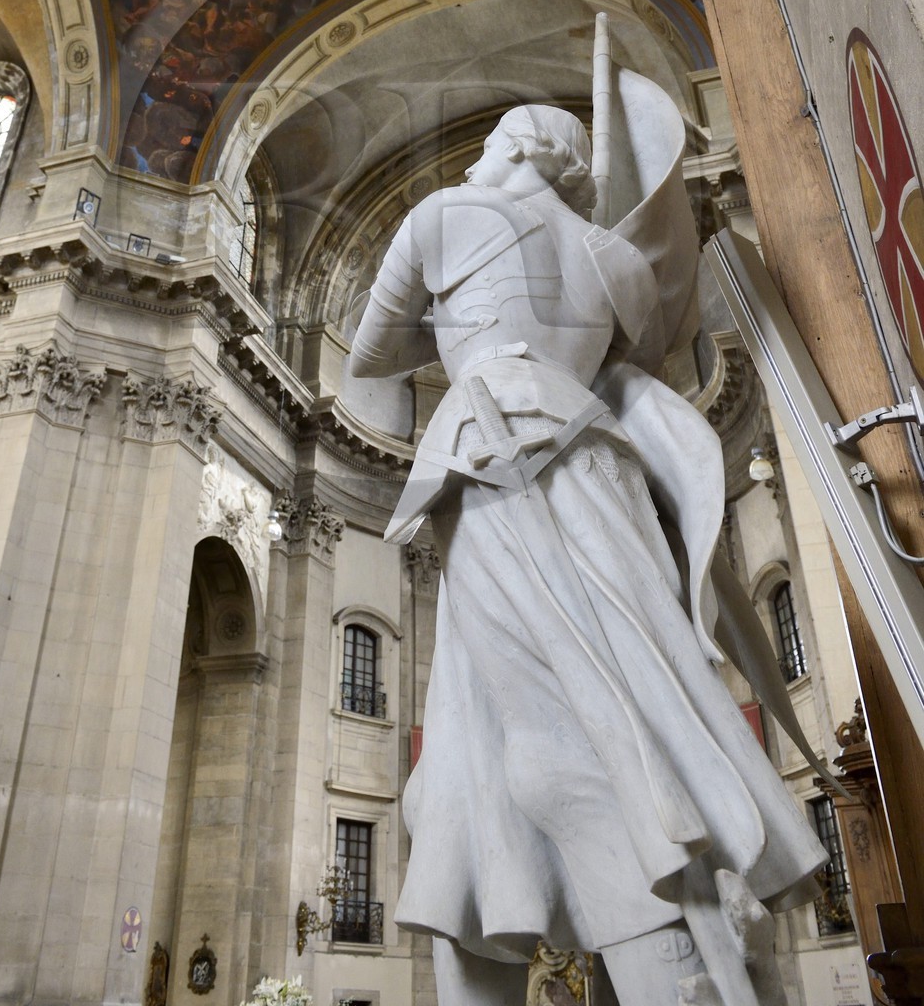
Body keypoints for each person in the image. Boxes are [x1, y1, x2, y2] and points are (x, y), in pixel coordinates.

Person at [347, 92, 827, 1006]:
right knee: (611, 695)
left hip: (497, 464)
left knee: (560, 727)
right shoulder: (618, 259)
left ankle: (670, 929)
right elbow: (635, 361)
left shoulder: (446, 214)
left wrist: (462, 317)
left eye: (488, 145)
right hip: (604, 473)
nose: (475, 161)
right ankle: (582, 902)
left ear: (520, 145)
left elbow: (373, 354)